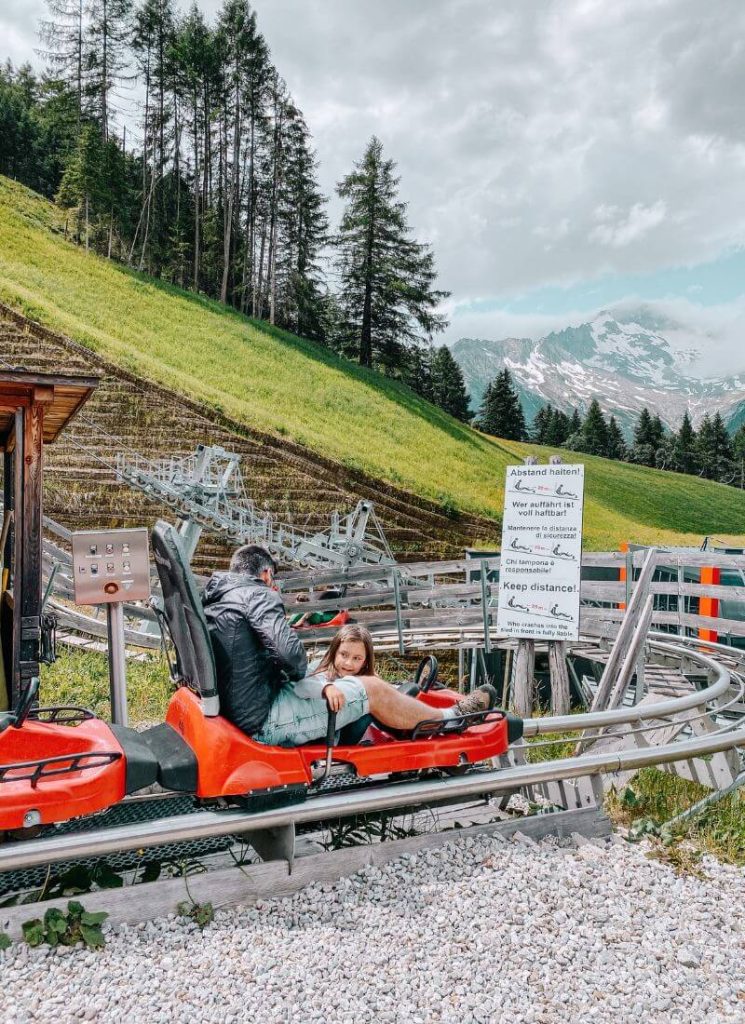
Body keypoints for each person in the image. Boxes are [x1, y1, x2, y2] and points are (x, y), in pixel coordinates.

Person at [203, 544, 497, 747]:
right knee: (371, 687)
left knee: (341, 681)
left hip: (239, 710)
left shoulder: (216, 598)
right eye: (273, 579)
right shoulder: (258, 594)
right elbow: (292, 658)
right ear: (266, 574)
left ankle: (407, 714)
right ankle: (451, 718)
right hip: (263, 720)